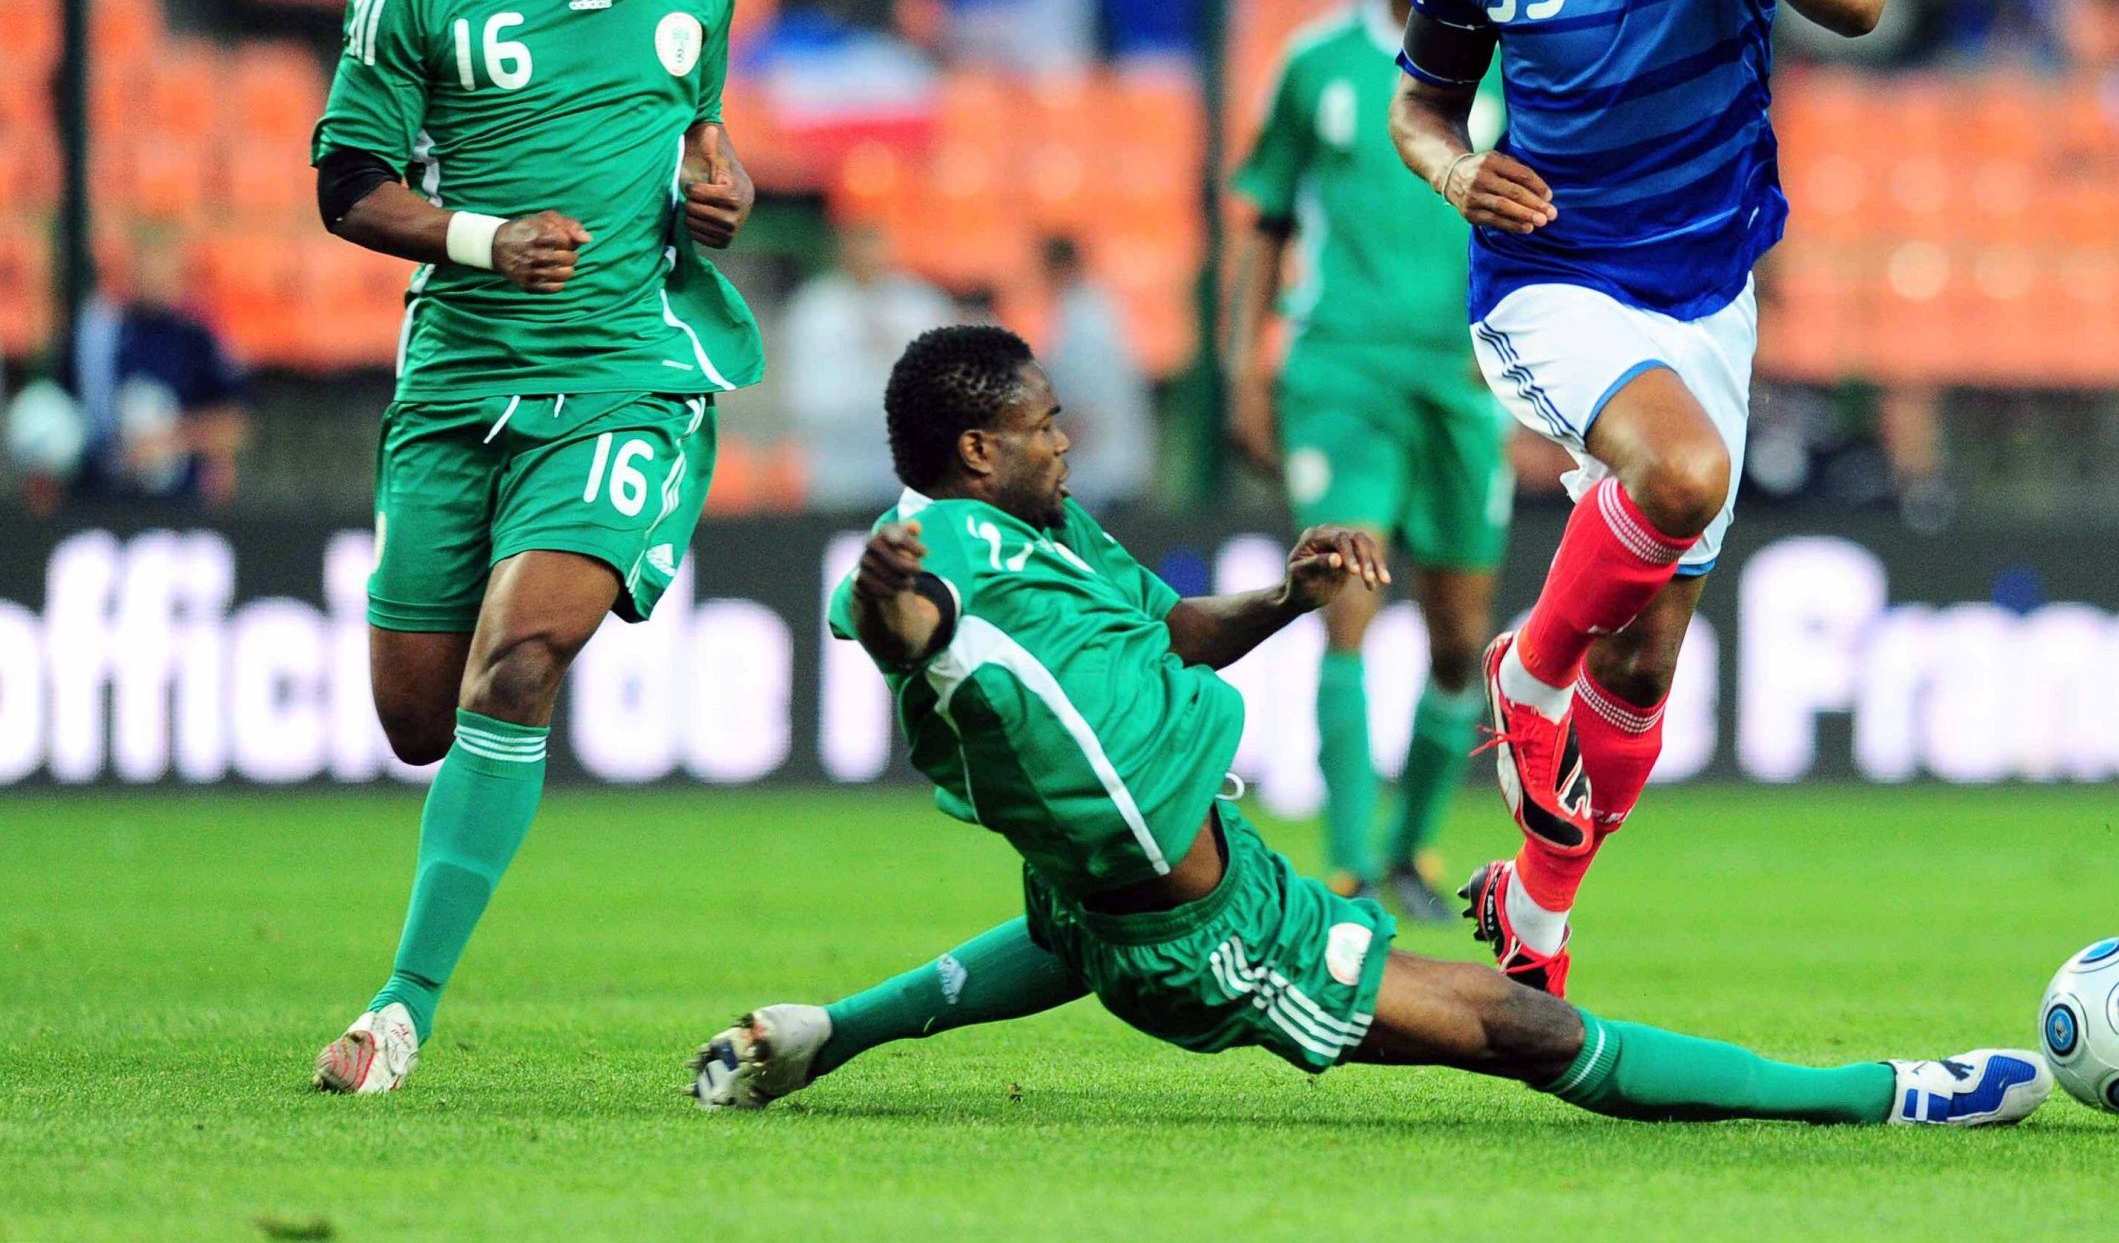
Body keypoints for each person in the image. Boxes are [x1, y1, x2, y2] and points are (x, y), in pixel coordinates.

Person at [687, 325, 2047, 1130]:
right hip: (1207, 938)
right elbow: (908, 634)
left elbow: (1166, 631)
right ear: (980, 449)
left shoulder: (1046, 527)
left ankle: (825, 1031)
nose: (1067, 436)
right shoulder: (928, 551)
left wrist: (1290, 592)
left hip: (1152, 874)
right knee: (1528, 1033)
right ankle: (1882, 1094)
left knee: (1069, 925)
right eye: (1045, 425)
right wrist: (908, 621)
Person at [1389, 0, 1882, 992]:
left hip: (1710, 289)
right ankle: (1528, 669)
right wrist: (1454, 170)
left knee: (1653, 667)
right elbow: (1421, 102)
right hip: (1555, 276)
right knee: (1681, 473)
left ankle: (1535, 919)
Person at [306, 0, 765, 1093]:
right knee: (418, 718)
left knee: (517, 666)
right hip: (457, 376)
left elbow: (699, 134)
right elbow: (345, 186)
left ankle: (399, 1010)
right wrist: (479, 237)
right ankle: (512, 662)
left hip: (629, 371)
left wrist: (718, 188)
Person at [1226, 0, 1512, 917]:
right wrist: (1242, 363)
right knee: (1345, 597)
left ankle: (1409, 850)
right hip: (1340, 362)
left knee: (1456, 632)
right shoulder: (1316, 65)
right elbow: (1264, 220)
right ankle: (1348, 865)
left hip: (1457, 372)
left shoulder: (1503, 68)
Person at [780, 219, 955, 512]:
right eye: (859, 247)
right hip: (841, 467)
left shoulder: (920, 304)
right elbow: (808, 399)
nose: (868, 257)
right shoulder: (817, 309)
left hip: (912, 465)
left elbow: (943, 389)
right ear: (842, 252)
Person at [67, 231, 251, 504]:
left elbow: (235, 425)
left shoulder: (197, 337)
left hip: (181, 505)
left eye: (161, 266)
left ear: (178, 273)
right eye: (145, 266)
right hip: (104, 496)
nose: (153, 276)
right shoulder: (101, 334)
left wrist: (168, 441)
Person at [1035, 235, 1151, 509]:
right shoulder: (1101, 311)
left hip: (1100, 482)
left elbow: (1082, 413)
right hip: (1121, 470)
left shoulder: (1081, 325)